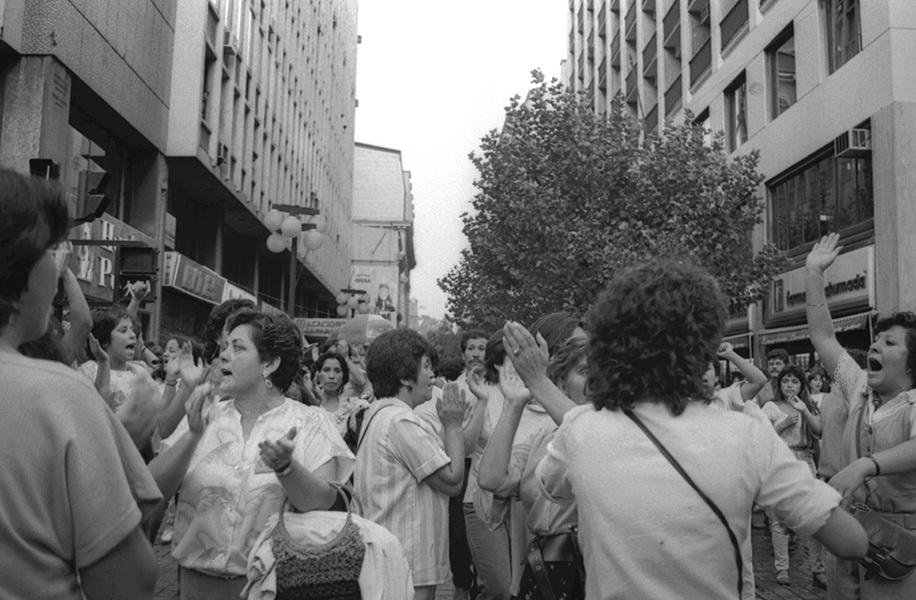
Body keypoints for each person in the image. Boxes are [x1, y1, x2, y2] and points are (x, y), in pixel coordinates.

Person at [537, 259, 868, 599]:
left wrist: (537, 381)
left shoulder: (580, 431)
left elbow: (552, 487)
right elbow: (852, 542)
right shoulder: (747, 434)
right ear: (705, 346)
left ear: (610, 344)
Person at [0, 168, 160, 598]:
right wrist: (112, 448)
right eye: (52, 254)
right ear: (21, 275)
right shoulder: (63, 395)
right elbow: (129, 581)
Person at [156, 308, 354, 599]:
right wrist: (193, 435)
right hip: (194, 586)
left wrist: (287, 469)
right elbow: (152, 490)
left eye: (238, 348)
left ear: (270, 363)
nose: (224, 356)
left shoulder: (310, 422)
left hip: (273, 588)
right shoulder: (203, 413)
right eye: (225, 347)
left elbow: (324, 506)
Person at [805, 233, 916, 598]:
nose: (875, 344)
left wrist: (866, 465)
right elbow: (823, 337)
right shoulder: (858, 388)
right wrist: (814, 274)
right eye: (877, 338)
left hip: (901, 544)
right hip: (850, 531)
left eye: (890, 342)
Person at [353, 329, 468, 600]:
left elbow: (432, 459)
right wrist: (453, 424)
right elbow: (453, 480)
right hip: (405, 561)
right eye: (426, 367)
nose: (432, 375)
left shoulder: (380, 414)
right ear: (405, 377)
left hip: (390, 558)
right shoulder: (401, 421)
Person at [479, 334, 587, 598]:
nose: (596, 381)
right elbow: (492, 479)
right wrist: (514, 403)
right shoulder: (542, 438)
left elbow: (585, 435)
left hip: (591, 570)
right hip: (545, 569)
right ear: (561, 383)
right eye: (585, 371)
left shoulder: (615, 432)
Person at [759, 364, 823, 586]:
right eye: (786, 381)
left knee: (814, 516)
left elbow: (819, 430)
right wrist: (782, 425)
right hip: (779, 463)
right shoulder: (770, 406)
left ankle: (819, 568)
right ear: (780, 384)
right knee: (778, 521)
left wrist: (804, 409)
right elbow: (761, 438)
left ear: (801, 385)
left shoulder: (808, 405)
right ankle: (782, 567)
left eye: (795, 381)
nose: (790, 385)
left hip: (805, 461)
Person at [312, 350, 370, 450]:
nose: (331, 376)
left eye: (337, 371)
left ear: (344, 376)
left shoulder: (353, 407)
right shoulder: (308, 407)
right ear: (318, 374)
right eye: (326, 370)